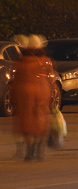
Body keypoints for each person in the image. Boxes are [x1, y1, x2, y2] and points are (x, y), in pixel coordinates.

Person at [12, 34, 54, 162]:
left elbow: (16, 80)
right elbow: (50, 78)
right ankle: (39, 150)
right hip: (41, 92)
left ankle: (29, 151)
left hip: (24, 93)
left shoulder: (21, 62)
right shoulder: (45, 61)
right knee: (40, 119)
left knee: (26, 120)